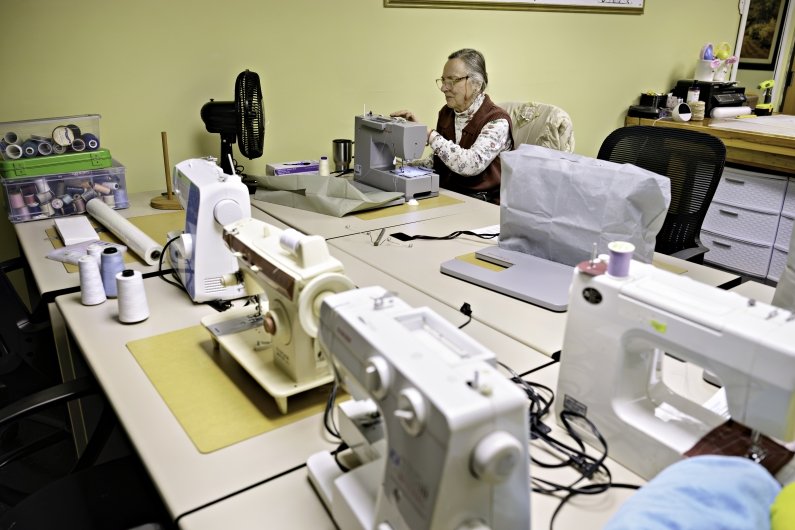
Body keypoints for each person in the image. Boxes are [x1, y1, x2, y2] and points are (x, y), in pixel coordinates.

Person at [391, 48, 513, 204]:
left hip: (483, 205)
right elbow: (441, 162)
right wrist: (403, 168)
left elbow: (471, 164)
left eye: (452, 80)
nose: (444, 88)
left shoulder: (497, 121)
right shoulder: (446, 113)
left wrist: (430, 135)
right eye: (443, 80)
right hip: (449, 197)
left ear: (476, 83)